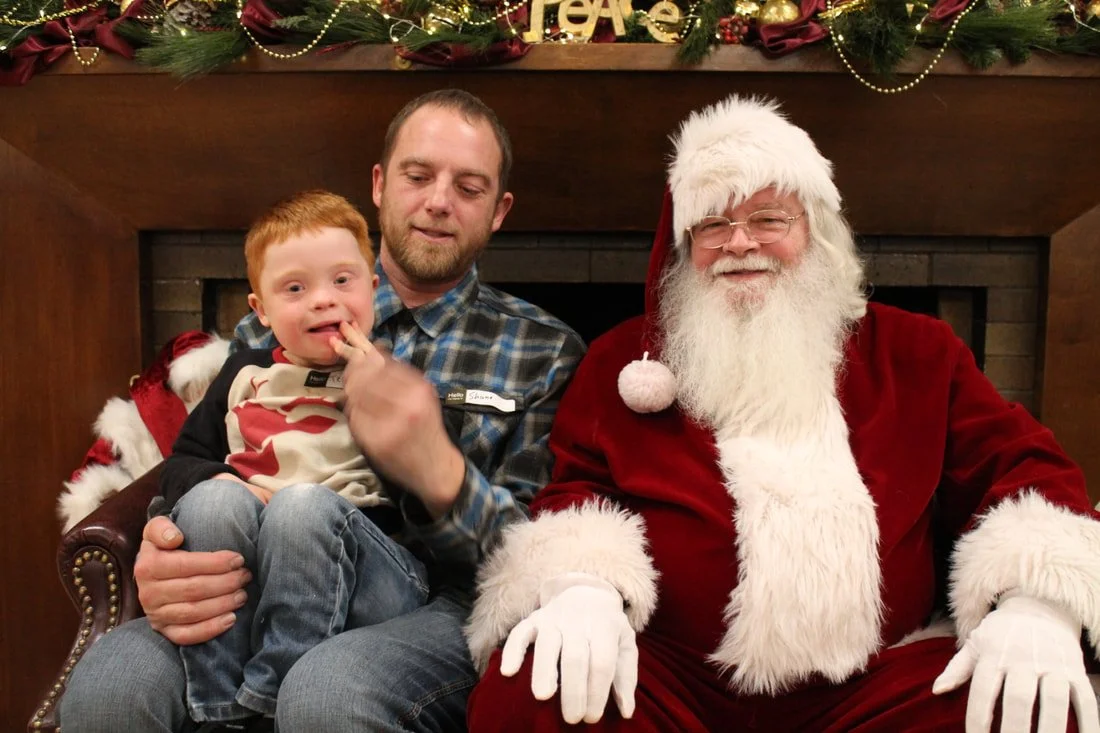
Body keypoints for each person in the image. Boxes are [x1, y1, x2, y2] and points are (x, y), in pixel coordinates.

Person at [465, 95, 1100, 733]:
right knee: (531, 689)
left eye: (769, 218)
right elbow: (578, 490)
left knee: (1027, 705)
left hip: (879, 684)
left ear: (814, 231)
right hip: (673, 682)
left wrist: (1034, 604)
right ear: (687, 248)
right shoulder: (622, 364)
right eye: (711, 225)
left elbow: (1020, 466)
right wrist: (582, 588)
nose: (740, 243)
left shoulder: (919, 352)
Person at [60, 88, 586, 732]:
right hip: (258, 580)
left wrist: (438, 473)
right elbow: (203, 457)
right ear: (379, 183)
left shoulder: (545, 350)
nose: (439, 201)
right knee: (112, 682)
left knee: (326, 688)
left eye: (469, 188)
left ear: (499, 210)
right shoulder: (285, 318)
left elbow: (539, 547)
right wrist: (167, 544)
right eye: (417, 176)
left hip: (435, 600)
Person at [160, 189, 428, 727]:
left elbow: (423, 507)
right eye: (295, 288)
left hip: (363, 571)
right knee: (211, 499)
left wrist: (379, 404)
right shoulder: (243, 373)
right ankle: (217, 707)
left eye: (342, 281)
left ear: (373, 290)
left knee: (302, 507)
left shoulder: (395, 380)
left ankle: (273, 699)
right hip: (255, 560)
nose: (323, 300)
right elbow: (183, 463)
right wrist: (231, 485)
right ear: (260, 309)